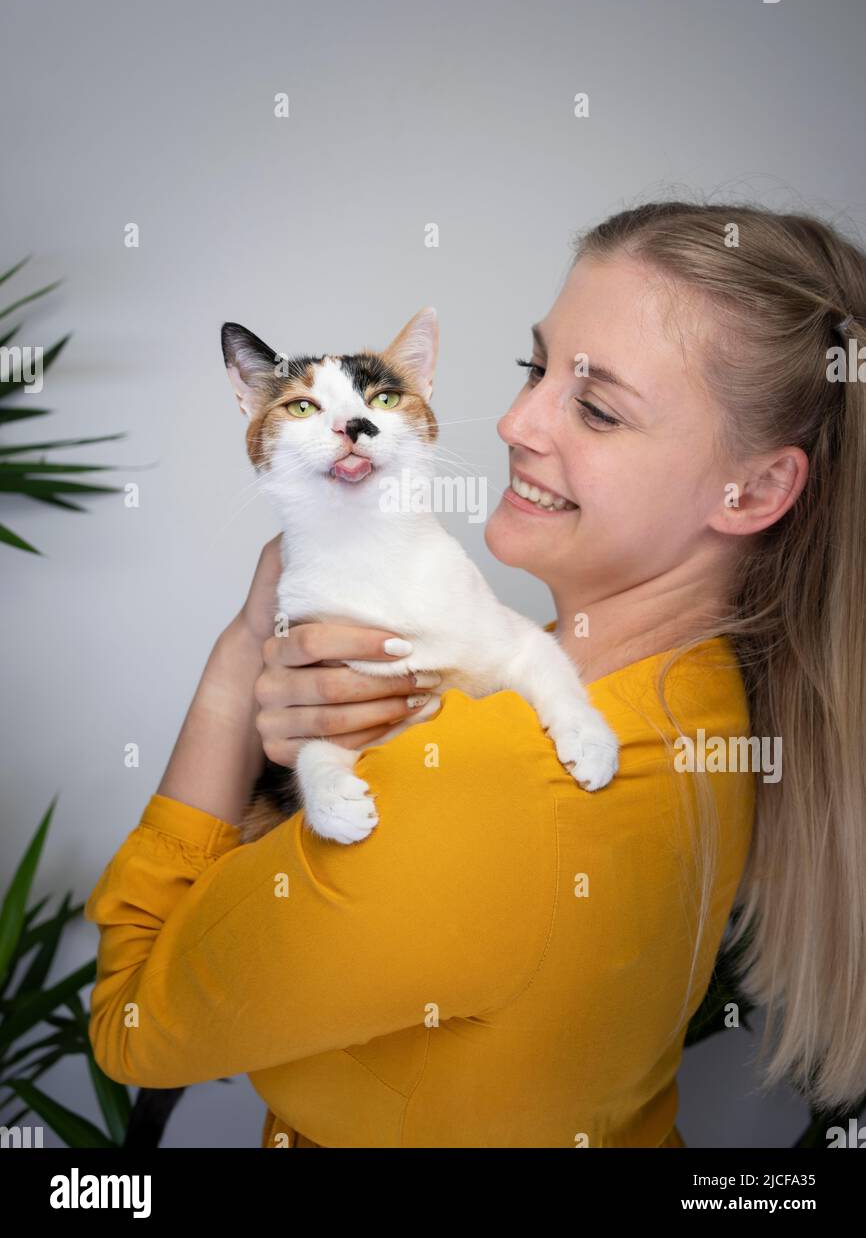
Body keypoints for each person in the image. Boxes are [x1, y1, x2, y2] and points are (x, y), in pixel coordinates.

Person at [84, 200, 866, 1147]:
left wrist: (237, 660)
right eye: (535, 369)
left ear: (759, 491)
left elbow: (128, 1024)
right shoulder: (705, 700)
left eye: (598, 406)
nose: (511, 421)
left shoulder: (480, 792)